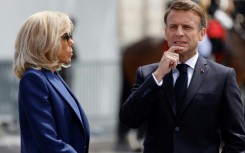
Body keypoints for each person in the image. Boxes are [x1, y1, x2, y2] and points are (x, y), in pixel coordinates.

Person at [119, 0, 245, 153]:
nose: (179, 33)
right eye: (173, 27)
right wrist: (157, 76)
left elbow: (237, 141)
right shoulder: (146, 74)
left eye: (187, 27)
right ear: (166, 32)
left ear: (201, 33)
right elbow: (128, 119)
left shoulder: (223, 77)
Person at [13, 11, 90, 153]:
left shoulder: (54, 75)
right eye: (66, 36)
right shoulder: (33, 79)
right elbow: (48, 141)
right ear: (46, 41)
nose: (72, 41)